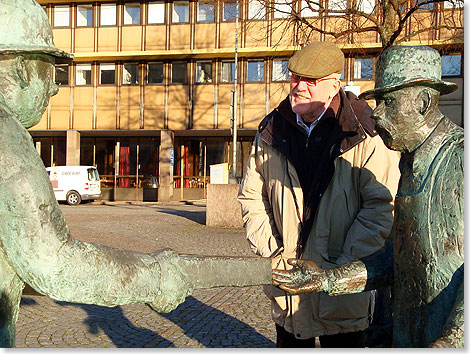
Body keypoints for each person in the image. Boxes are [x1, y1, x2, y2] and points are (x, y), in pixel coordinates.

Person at [0, 0, 271, 347]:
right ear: (23, 68)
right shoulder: (7, 139)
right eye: (49, 72)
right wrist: (159, 276)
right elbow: (57, 265)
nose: (54, 88)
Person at [272, 45, 464, 348]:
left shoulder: (460, 159)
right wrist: (326, 279)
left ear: (424, 102)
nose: (378, 113)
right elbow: (398, 262)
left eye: (388, 101)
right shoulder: (411, 163)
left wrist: (453, 342)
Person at [238, 41, 401, 348]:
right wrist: (274, 256)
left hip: (341, 296)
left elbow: (381, 206)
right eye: (295, 77)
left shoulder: (364, 132)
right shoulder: (270, 129)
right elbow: (251, 198)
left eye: (310, 80)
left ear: (334, 85)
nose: (298, 86)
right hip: (286, 292)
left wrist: (337, 270)